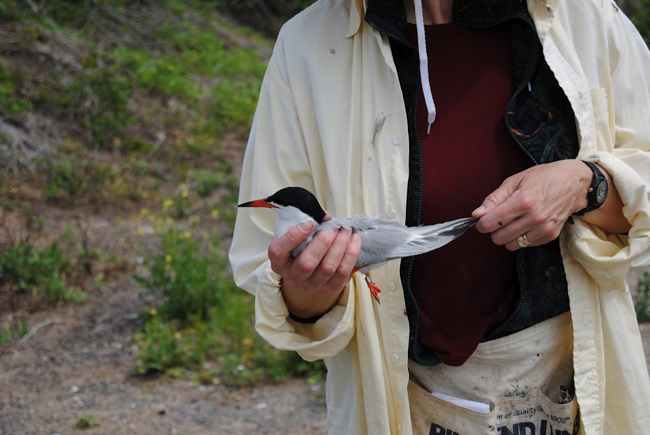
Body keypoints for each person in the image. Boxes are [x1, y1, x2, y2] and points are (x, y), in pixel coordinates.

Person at [229, 0, 650, 433]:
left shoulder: (585, 17)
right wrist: (309, 289)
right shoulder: (308, 44)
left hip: (571, 385)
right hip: (401, 401)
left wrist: (587, 184)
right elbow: (270, 275)